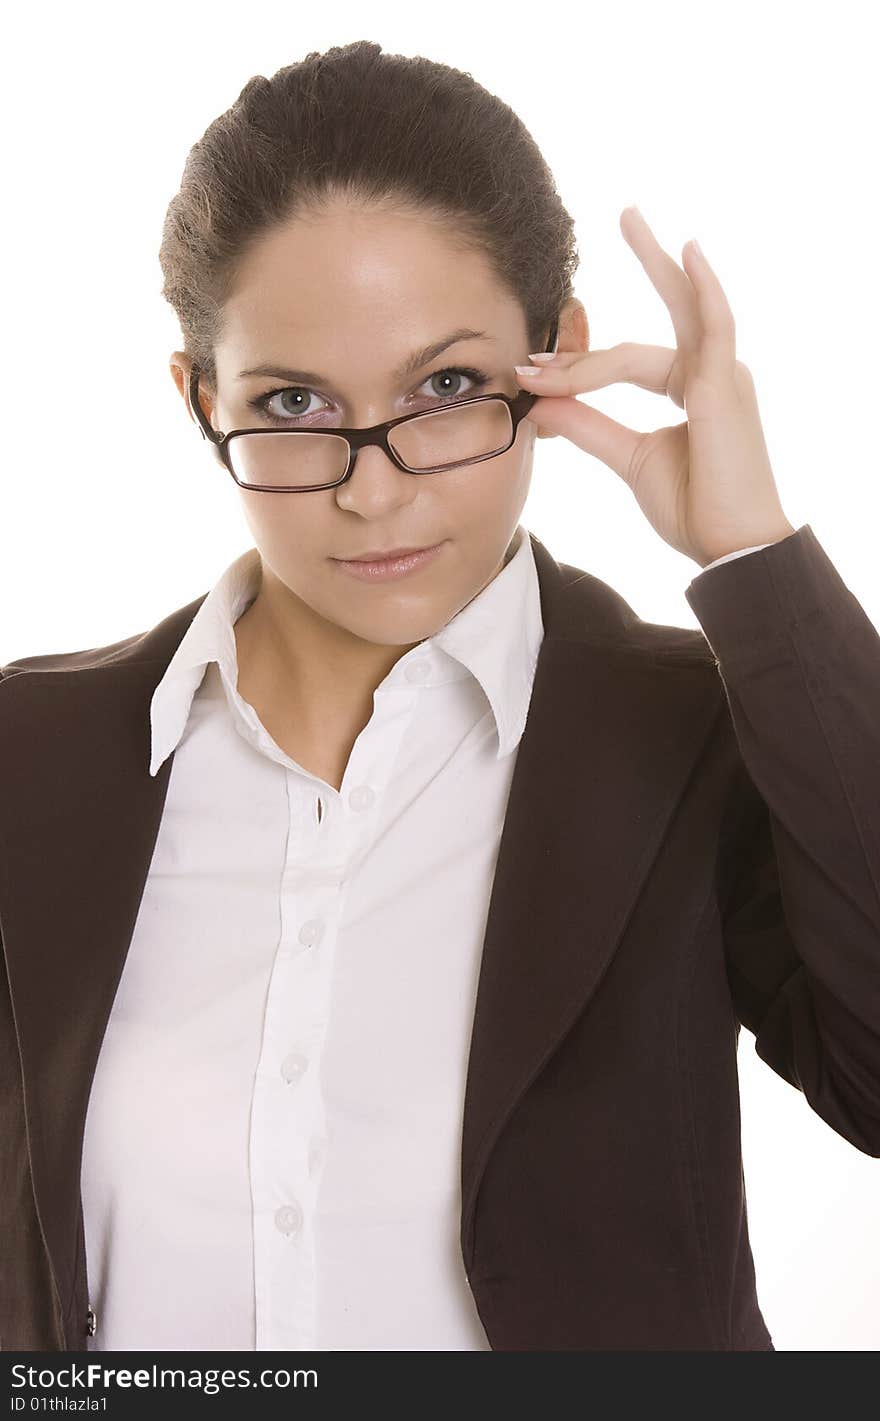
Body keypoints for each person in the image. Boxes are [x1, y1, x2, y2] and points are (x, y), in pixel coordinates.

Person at [2, 39, 878, 1354]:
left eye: (448, 387)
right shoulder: (33, 751)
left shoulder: (691, 733)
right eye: (293, 402)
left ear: (556, 358)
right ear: (198, 399)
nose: (373, 488)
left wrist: (753, 558)